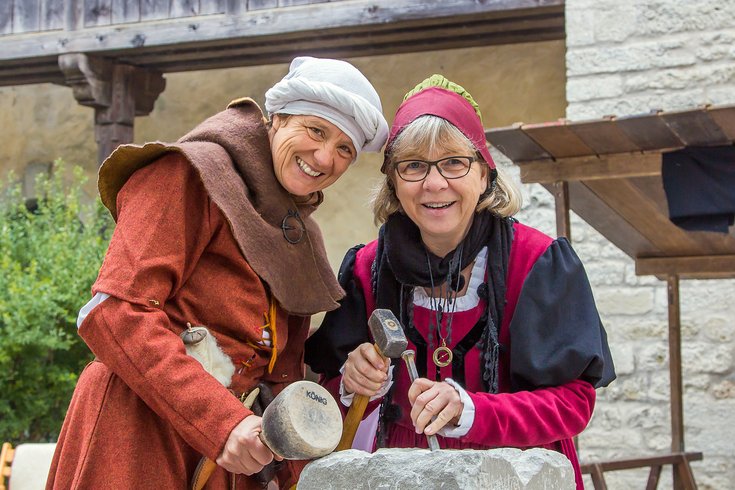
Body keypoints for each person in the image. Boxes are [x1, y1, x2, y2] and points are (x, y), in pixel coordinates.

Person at [46, 56, 389, 490]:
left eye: (345, 149)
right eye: (316, 130)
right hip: (141, 432)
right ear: (277, 118)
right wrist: (220, 422)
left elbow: (278, 372)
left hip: (236, 455)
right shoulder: (188, 173)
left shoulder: (299, 233)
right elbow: (114, 311)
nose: (324, 157)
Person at [305, 75, 615, 489]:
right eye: (413, 166)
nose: (434, 184)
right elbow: (326, 394)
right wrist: (350, 382)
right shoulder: (366, 268)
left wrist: (472, 411)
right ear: (394, 184)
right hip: (398, 477)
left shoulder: (538, 263)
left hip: (512, 474)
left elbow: (574, 405)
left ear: (484, 175)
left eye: (454, 162)